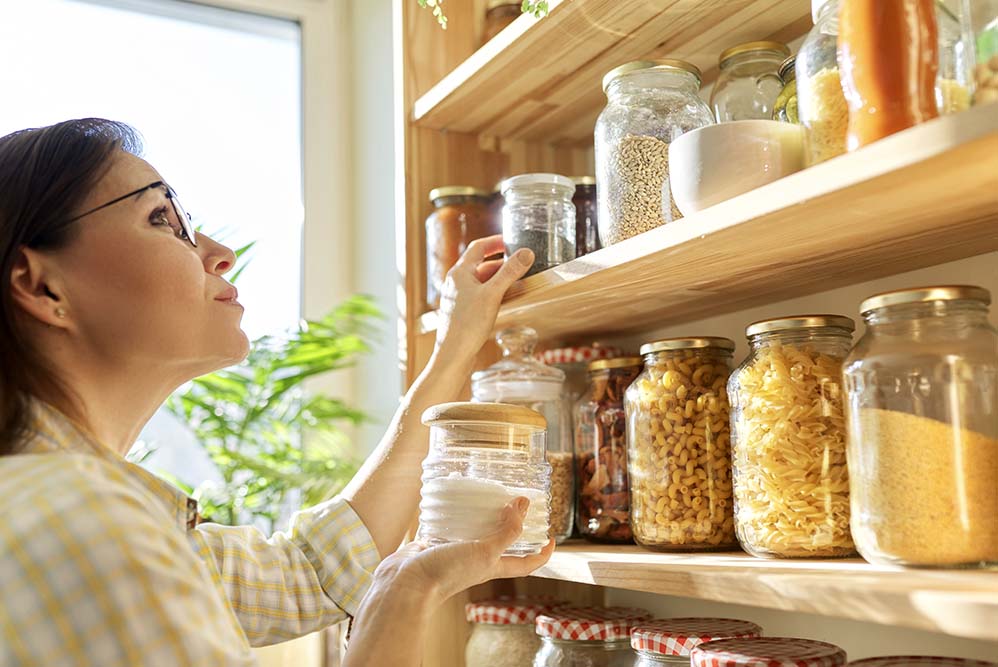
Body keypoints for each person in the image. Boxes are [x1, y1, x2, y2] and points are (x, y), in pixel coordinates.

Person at [0, 118, 553, 666]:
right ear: (41, 285)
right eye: (162, 220)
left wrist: (454, 346)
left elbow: (309, 574)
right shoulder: (80, 524)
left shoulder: (73, 508)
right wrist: (405, 594)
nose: (219, 253)